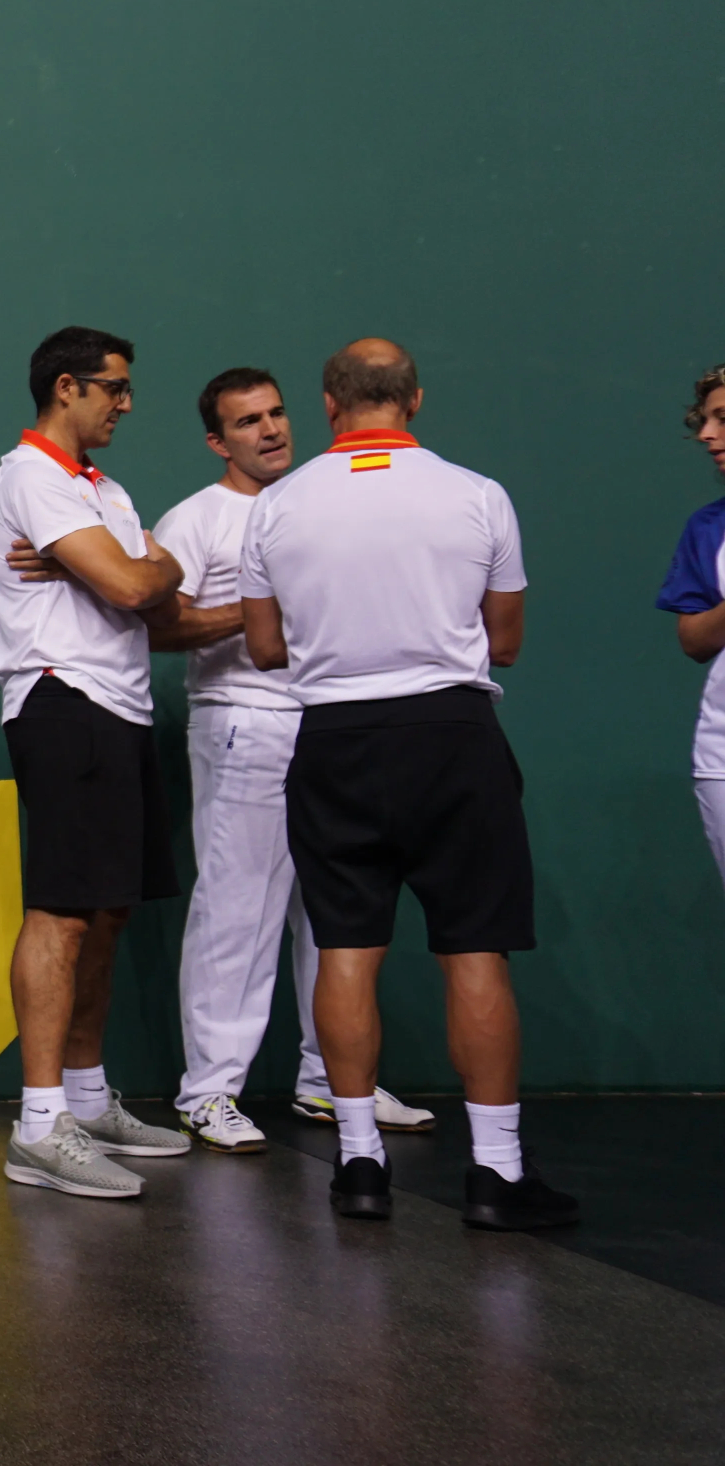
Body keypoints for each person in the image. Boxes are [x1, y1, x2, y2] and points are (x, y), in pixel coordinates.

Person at [241, 338, 576, 1229]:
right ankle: (496, 1173)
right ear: (415, 400)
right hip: (452, 737)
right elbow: (504, 640)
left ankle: (357, 1165)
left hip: (334, 741)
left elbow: (267, 649)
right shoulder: (477, 496)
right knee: (473, 949)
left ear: (327, 405)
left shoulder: (275, 509)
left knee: (347, 947)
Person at [137, 369, 438, 1150]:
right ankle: (208, 1092)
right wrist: (258, 608)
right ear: (218, 441)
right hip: (245, 726)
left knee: (337, 913)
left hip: (331, 726)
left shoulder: (315, 501)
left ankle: (332, 1084)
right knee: (236, 909)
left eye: (276, 414)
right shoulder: (198, 519)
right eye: (247, 423)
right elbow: (156, 628)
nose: (270, 431)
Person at [0, 327, 193, 1201]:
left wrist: (140, 564)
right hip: (62, 704)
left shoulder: (104, 490)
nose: (127, 403)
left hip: (123, 707)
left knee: (105, 916)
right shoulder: (28, 476)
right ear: (66, 388)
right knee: (62, 916)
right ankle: (38, 1126)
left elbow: (143, 592)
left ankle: (85, 1097)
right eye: (115, 388)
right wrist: (153, 564)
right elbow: (141, 589)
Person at [656, 365, 725, 892]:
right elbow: (694, 640)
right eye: (704, 420)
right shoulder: (706, 527)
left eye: (722, 419)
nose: (706, 435)